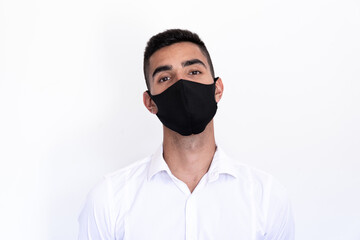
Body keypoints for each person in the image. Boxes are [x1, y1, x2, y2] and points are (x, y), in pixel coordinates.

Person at [78, 29, 295, 240]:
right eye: (165, 78)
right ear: (150, 102)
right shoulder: (109, 200)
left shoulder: (266, 197)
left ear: (217, 89)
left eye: (193, 72)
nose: (181, 85)